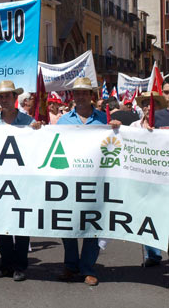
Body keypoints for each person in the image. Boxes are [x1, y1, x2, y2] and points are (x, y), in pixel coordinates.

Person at [56, 77, 121, 286]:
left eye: (84, 92)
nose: (80, 96)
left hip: (96, 181)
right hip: (69, 181)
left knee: (93, 223)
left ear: (91, 96)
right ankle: (71, 264)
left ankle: (87, 268)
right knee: (67, 224)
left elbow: (116, 144)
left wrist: (117, 128)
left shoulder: (104, 119)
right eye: (77, 93)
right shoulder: (63, 120)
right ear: (73, 96)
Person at [0, 81, 42, 282]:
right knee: (2, 222)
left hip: (22, 180)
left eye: (7, 96)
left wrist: (38, 130)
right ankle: (6, 262)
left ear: (14, 98)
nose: (4, 100)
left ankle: (20, 265)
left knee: (20, 222)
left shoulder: (28, 121)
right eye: (0, 97)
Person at [133, 92, 167, 266]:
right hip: (142, 181)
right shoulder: (133, 126)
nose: (148, 107)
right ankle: (153, 255)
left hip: (164, 180)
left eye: (152, 104)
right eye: (145, 104)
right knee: (146, 217)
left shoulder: (165, 127)